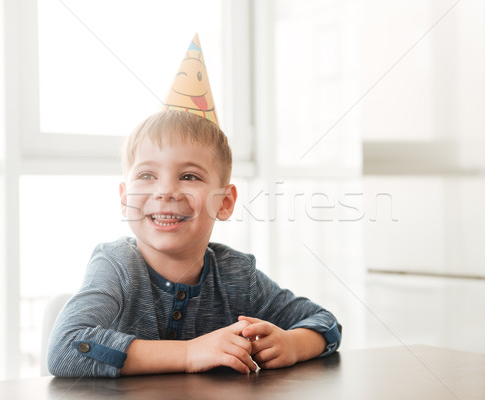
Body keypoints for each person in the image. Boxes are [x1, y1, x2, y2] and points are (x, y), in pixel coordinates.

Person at [47, 35, 342, 378]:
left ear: (225, 202)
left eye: (189, 176)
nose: (166, 191)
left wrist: (292, 344)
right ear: (125, 198)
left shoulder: (236, 275)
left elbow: (326, 323)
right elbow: (66, 348)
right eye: (147, 175)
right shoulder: (116, 266)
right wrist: (189, 353)